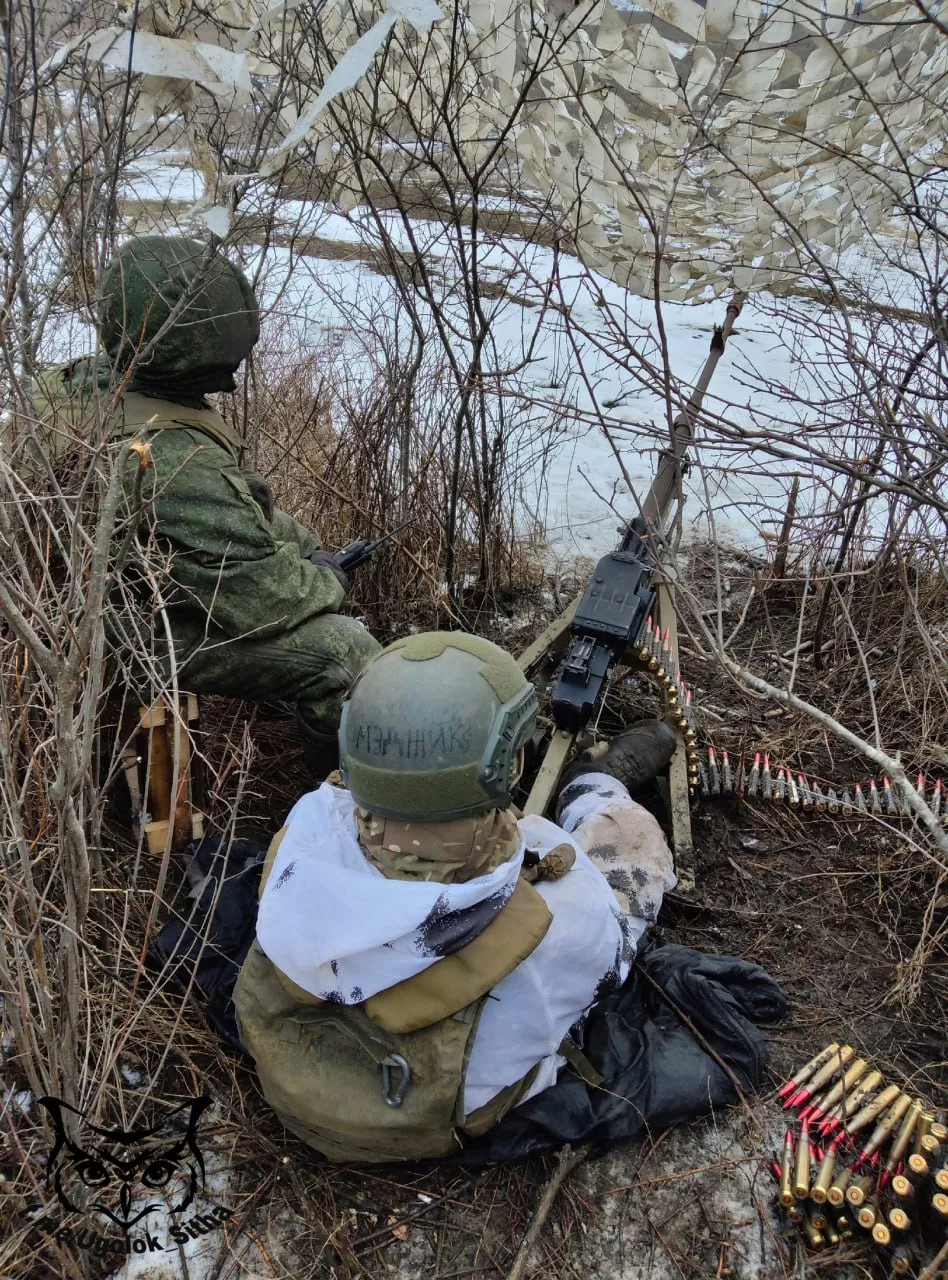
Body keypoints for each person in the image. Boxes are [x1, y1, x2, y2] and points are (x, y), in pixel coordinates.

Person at [233, 630, 678, 1162]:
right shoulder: (557, 920)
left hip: (295, 1087)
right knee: (630, 848)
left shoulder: (299, 848)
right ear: (510, 766)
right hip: (432, 1117)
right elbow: (610, 965)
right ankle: (594, 788)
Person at [35, 235, 380, 769]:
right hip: (111, 628)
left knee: (286, 535)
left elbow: (223, 509)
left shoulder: (66, 383)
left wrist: (300, 546)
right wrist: (327, 576)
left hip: (72, 590)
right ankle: (334, 805)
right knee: (347, 655)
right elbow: (270, 603)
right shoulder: (172, 461)